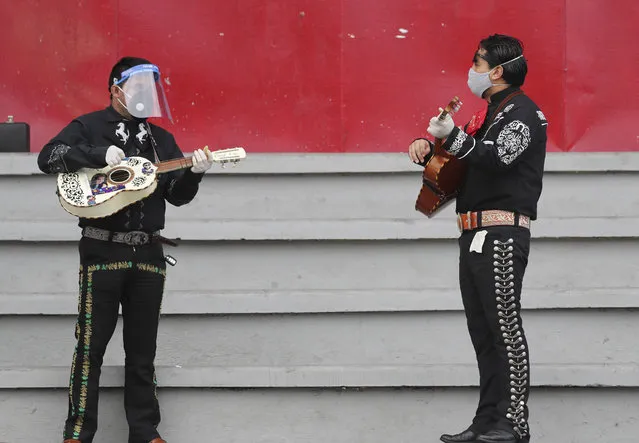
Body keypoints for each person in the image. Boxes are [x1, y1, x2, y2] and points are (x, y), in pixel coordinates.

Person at [38, 56, 215, 443]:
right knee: (90, 347)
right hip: (101, 250)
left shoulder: (161, 140)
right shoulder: (89, 126)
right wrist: (96, 155)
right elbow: (47, 157)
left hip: (148, 254)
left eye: (150, 89)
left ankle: (145, 431)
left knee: (142, 350)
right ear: (116, 89)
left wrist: (196, 173)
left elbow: (178, 196)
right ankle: (78, 433)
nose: (144, 96)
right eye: (137, 88)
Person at [408, 34, 547, 443]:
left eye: (478, 63)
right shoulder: (487, 115)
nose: (473, 70)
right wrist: (427, 145)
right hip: (472, 232)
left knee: (503, 327)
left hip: (501, 231)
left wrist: (452, 138)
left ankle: (513, 422)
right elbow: (456, 162)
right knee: (483, 332)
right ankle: (488, 420)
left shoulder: (524, 114)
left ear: (498, 71)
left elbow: (494, 157)